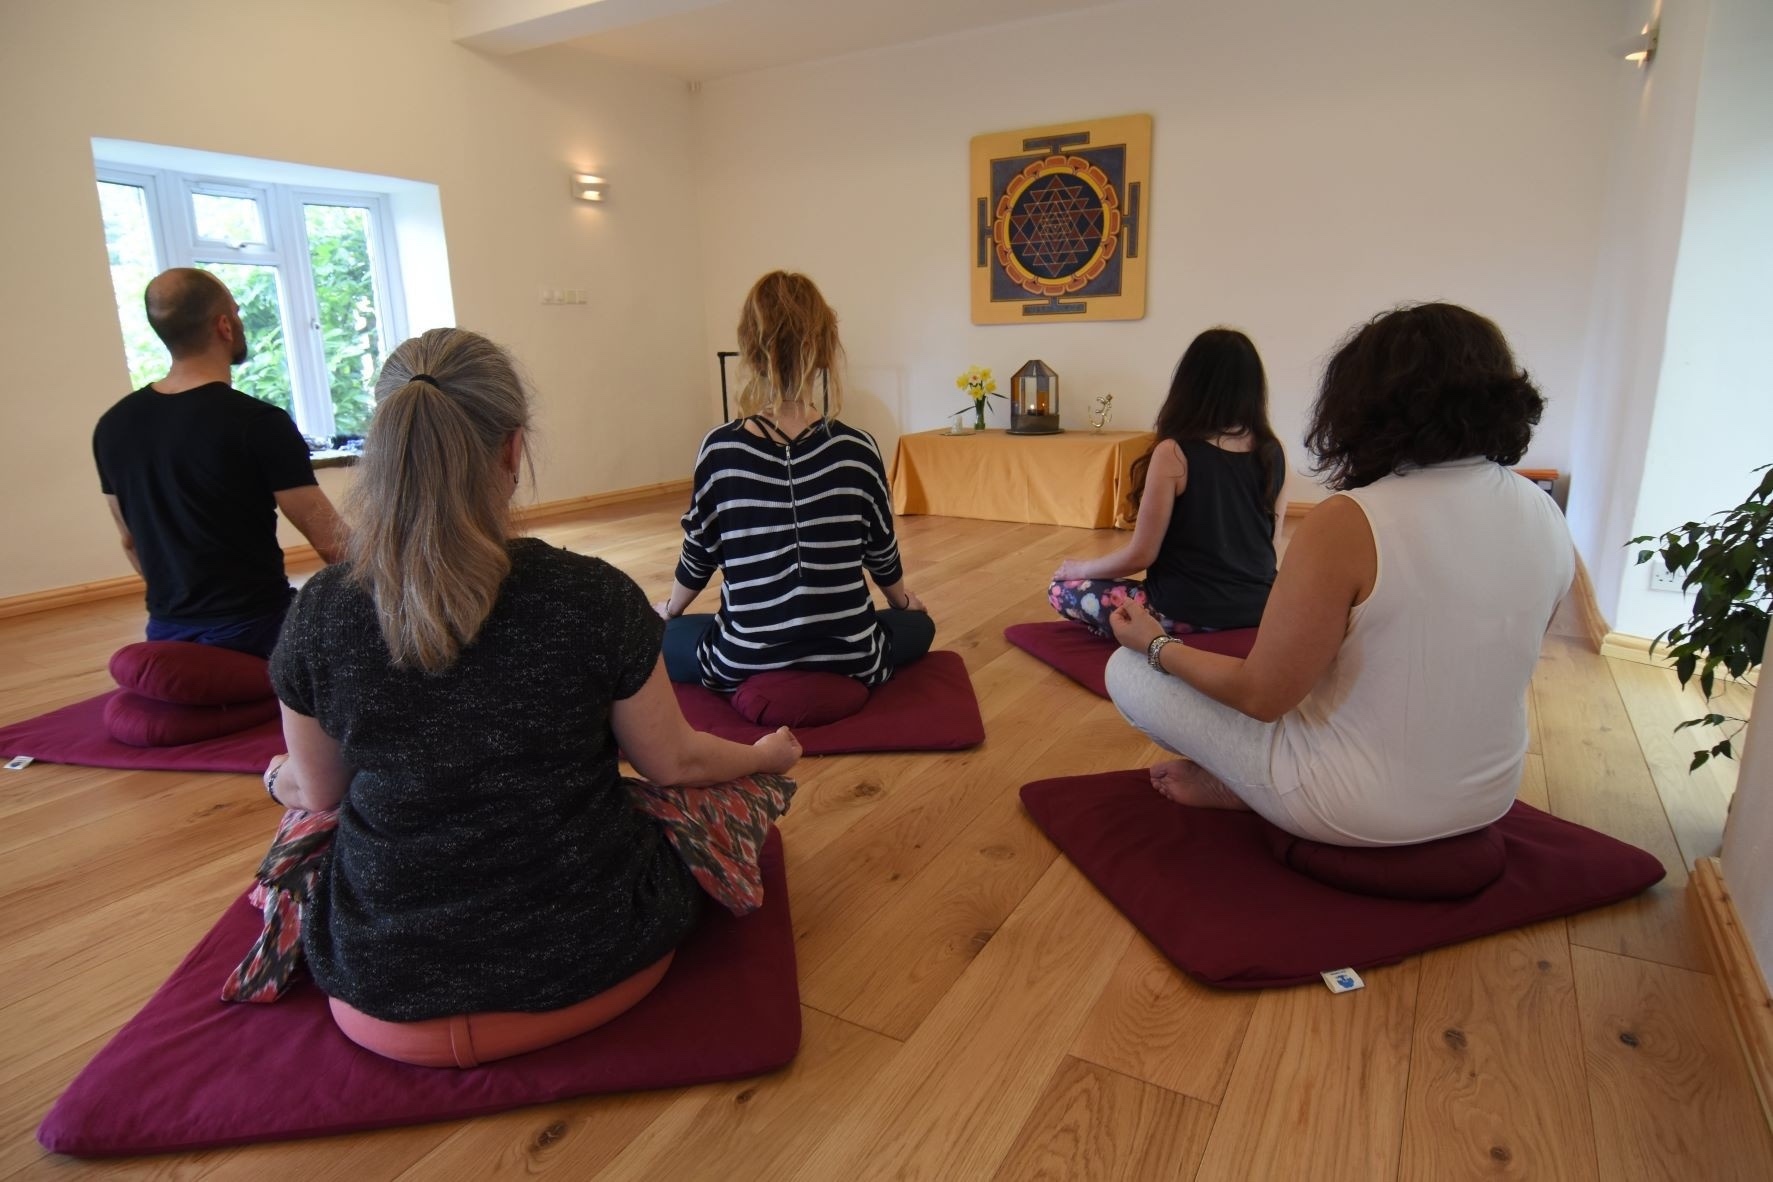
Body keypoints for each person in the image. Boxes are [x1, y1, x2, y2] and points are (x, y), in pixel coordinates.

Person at [262, 327, 802, 1067]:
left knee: (302, 828)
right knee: (706, 803)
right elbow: (674, 763)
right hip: (595, 954)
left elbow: (318, 791)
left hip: (379, 980)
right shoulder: (592, 597)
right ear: (513, 450)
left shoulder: (320, 610)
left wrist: (274, 777)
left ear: (383, 451)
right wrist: (761, 757)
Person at [1104, 303, 1575, 848]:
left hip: (1349, 808)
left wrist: (1155, 644)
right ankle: (1253, 781)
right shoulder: (1544, 510)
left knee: (1125, 669)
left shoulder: (1350, 520)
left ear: (1363, 402)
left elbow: (1260, 696)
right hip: (1491, 793)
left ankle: (1252, 788)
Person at [657, 271, 934, 690]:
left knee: (666, 634)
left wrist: (670, 611)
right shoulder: (858, 447)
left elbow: (699, 553)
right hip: (853, 658)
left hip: (743, 661)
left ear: (750, 350)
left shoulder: (718, 450)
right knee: (919, 626)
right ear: (823, 350)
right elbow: (881, 550)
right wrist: (903, 601)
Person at [92, 268, 345, 658]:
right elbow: (330, 541)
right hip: (257, 631)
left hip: (166, 634)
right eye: (237, 312)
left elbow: (130, 541)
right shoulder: (259, 423)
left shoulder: (112, 425)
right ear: (224, 326)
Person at [1049, 328, 1284, 637]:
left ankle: (1149, 634)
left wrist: (1079, 568)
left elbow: (1141, 555)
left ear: (1190, 383)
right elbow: (1271, 546)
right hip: (1260, 609)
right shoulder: (1273, 451)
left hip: (1182, 610)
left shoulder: (1174, 452)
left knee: (1059, 590)